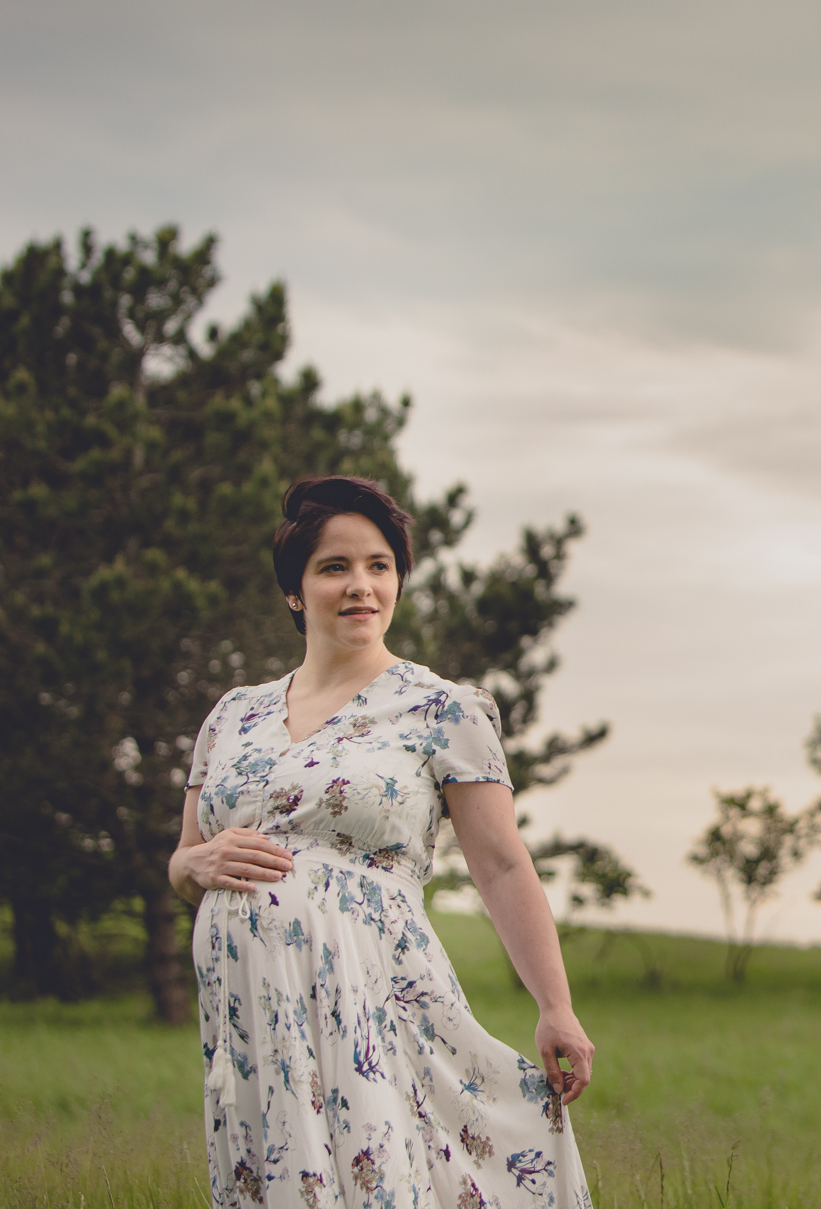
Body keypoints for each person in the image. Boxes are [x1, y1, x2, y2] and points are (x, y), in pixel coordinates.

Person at [169, 475, 594, 1209]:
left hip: (372, 994)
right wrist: (195, 863)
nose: (360, 585)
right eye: (335, 567)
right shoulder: (233, 716)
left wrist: (554, 1004)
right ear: (296, 592)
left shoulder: (441, 708)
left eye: (379, 566)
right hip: (250, 1009)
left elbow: (499, 865)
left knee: (388, 1179)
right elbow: (185, 861)